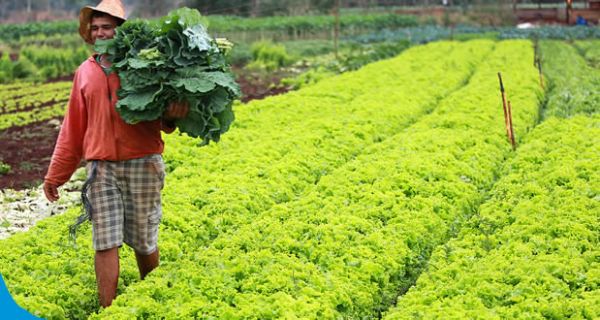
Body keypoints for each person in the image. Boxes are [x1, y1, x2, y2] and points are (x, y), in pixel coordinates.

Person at [42, 0, 188, 308]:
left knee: (144, 238)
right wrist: (56, 174)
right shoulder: (84, 73)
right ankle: (108, 309)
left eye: (106, 27)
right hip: (101, 167)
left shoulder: (146, 66)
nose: (99, 33)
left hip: (143, 161)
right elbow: (73, 128)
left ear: (120, 31)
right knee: (104, 240)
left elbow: (165, 120)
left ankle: (152, 299)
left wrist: (173, 116)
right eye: (94, 28)